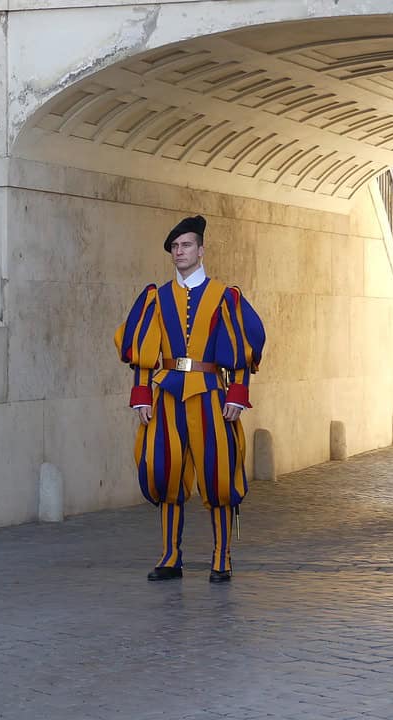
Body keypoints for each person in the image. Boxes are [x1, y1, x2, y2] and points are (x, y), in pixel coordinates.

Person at [113, 215, 265, 583]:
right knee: (164, 471)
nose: (179, 253)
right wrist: (141, 395)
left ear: (201, 250)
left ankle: (221, 558)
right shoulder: (157, 296)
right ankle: (170, 556)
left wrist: (238, 393)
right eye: (175, 248)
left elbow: (242, 349)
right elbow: (144, 352)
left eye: (186, 246)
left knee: (219, 475)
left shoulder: (224, 297)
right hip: (166, 395)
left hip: (212, 394)